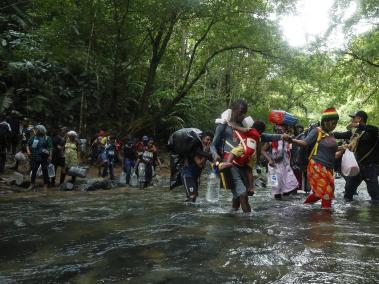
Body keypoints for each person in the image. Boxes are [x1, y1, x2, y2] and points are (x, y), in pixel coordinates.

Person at [210, 100, 286, 212]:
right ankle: (248, 223)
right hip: (230, 164)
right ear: (233, 110)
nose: (243, 115)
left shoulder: (246, 127)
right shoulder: (223, 126)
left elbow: (263, 136)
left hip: (244, 165)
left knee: (237, 197)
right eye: (241, 112)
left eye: (244, 113)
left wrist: (282, 136)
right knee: (243, 193)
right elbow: (213, 145)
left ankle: (232, 216)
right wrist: (215, 154)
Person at [290, 108, 347, 208]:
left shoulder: (331, 134)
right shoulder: (316, 131)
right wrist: (291, 140)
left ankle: (304, 207)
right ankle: (326, 218)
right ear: (325, 122)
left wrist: (342, 147)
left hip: (328, 167)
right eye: (333, 123)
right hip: (317, 166)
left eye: (336, 123)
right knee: (327, 192)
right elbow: (304, 143)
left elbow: (330, 149)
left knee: (319, 192)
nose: (334, 126)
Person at [333, 111, 379, 202]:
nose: (352, 120)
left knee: (375, 195)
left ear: (359, 119)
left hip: (371, 167)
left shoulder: (371, 131)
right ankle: (350, 214)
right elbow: (340, 135)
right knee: (348, 192)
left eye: (354, 118)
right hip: (357, 166)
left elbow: (374, 129)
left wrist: (357, 125)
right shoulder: (354, 132)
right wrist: (325, 131)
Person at [219, 120, 267, 197]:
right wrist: (257, 159)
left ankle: (227, 163)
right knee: (250, 171)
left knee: (233, 152)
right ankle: (251, 188)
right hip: (252, 153)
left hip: (244, 148)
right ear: (261, 131)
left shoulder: (251, 130)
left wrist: (234, 126)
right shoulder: (258, 137)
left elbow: (244, 130)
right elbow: (258, 149)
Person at [168, 128, 211, 202]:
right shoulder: (195, 148)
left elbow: (200, 167)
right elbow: (200, 164)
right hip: (187, 175)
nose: (209, 142)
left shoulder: (202, 150)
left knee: (194, 198)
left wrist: (198, 178)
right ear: (203, 138)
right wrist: (206, 153)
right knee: (192, 197)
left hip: (194, 176)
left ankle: (188, 212)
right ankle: (184, 212)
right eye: (207, 139)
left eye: (210, 140)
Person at [261, 124, 299, 199]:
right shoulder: (271, 140)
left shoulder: (288, 139)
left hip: (285, 167)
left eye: (281, 130)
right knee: (275, 188)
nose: (279, 131)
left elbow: (295, 145)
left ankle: (285, 206)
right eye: (277, 130)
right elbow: (262, 150)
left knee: (289, 187)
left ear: (284, 130)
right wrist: (269, 159)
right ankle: (276, 206)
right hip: (273, 167)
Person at [26, 125, 53, 192]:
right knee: (34, 170)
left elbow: (50, 148)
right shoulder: (34, 137)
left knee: (45, 171)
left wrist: (50, 156)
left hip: (44, 157)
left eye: (37, 130)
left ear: (41, 130)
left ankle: (45, 186)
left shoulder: (47, 138)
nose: (36, 131)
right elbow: (27, 144)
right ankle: (32, 184)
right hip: (35, 156)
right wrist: (28, 151)